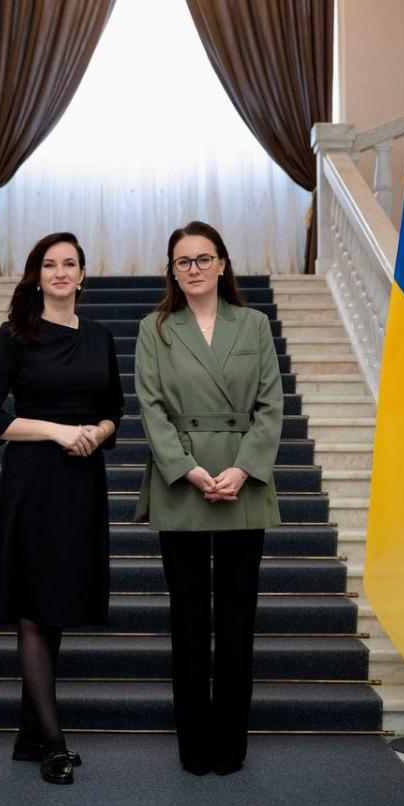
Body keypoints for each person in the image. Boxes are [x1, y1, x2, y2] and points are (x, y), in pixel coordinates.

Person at [0, 232, 123, 786]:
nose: (60, 272)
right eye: (50, 264)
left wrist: (97, 432)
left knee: (56, 603)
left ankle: (29, 734)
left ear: (83, 275)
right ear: (37, 275)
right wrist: (59, 432)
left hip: (81, 482)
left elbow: (114, 408)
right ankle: (53, 745)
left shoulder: (100, 336)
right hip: (33, 481)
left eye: (70, 264)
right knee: (34, 608)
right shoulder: (16, 334)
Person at [134, 220, 283, 776]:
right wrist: (190, 470)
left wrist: (242, 469)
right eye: (183, 261)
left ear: (222, 264)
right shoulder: (155, 328)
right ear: (172, 272)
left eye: (203, 258)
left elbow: (270, 405)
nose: (193, 269)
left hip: (244, 482)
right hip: (184, 483)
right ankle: (194, 744)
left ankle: (231, 744)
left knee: (239, 617)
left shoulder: (255, 324)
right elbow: (151, 407)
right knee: (189, 618)